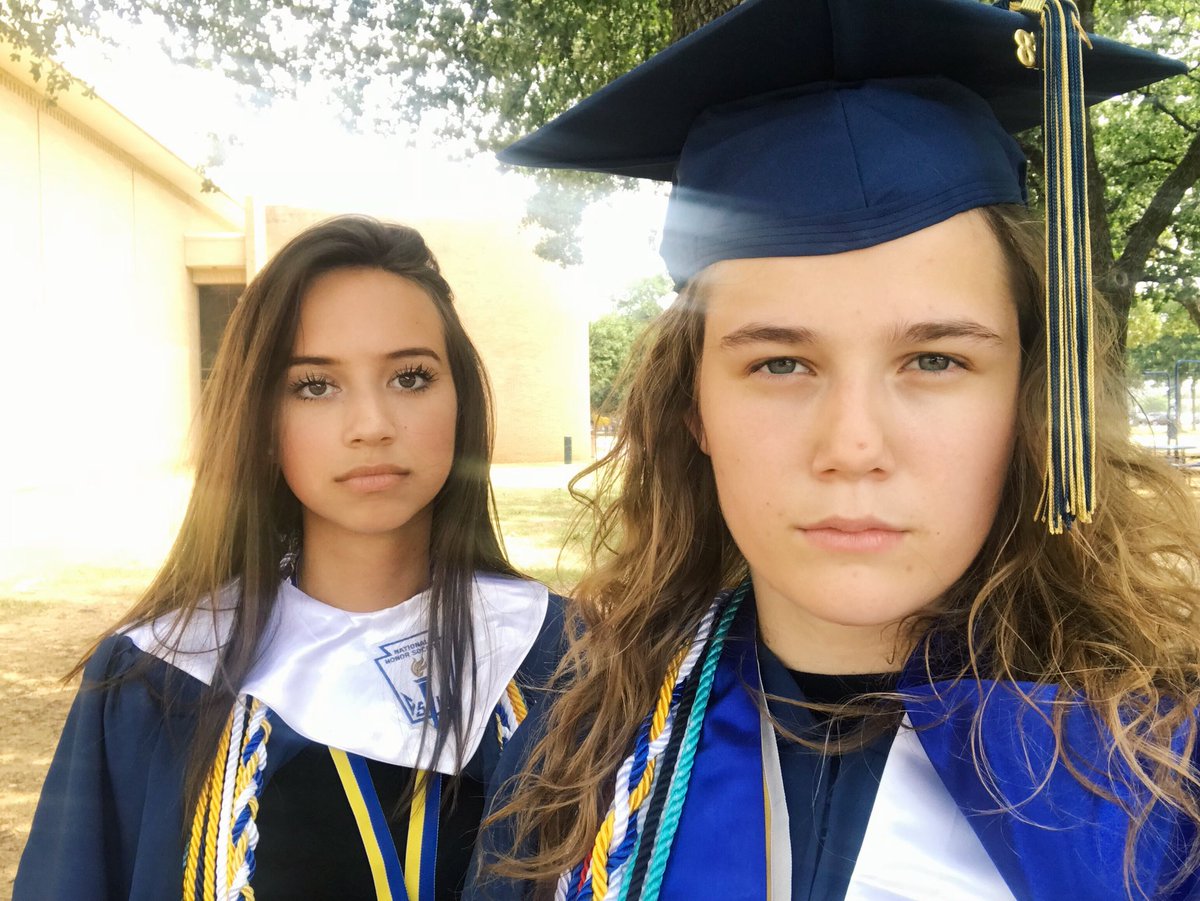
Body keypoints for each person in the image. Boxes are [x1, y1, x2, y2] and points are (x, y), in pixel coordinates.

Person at [469, 0, 1198, 898]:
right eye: (780, 363)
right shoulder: (575, 756)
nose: (853, 446)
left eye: (935, 359)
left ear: (1030, 397)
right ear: (693, 408)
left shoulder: (1165, 781)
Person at [15, 215, 563, 901]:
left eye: (410, 377)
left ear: (462, 401)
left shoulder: (567, 663)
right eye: (314, 386)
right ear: (262, 421)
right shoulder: (157, 681)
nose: (372, 425)